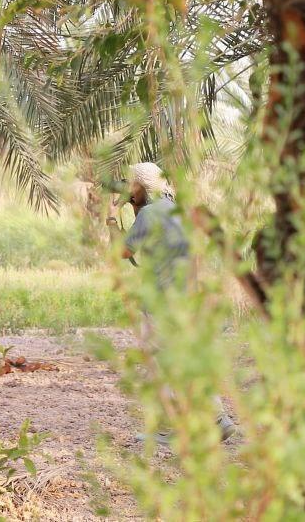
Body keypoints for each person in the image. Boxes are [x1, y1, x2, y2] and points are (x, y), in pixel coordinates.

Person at [121, 161, 237, 445]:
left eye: (131, 186)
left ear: (140, 186)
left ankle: (169, 429)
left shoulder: (148, 213)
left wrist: (121, 220)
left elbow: (124, 252)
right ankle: (218, 419)